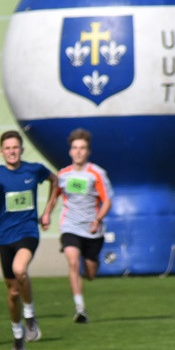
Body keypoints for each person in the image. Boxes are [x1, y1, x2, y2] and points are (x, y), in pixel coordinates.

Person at [0, 130, 59, 350]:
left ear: (21, 149)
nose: (11, 152)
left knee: (20, 270)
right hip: (5, 237)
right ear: (1, 151)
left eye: (15, 147)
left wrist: (47, 212)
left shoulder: (33, 170)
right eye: (7, 148)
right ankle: (17, 334)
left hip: (28, 232)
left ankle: (30, 315)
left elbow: (55, 181)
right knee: (13, 292)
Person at [43, 128, 113, 323]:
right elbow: (54, 196)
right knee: (73, 262)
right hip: (70, 226)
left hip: (92, 229)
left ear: (88, 151)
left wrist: (98, 219)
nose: (78, 151)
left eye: (82, 148)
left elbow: (107, 200)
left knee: (90, 273)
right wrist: (47, 214)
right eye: (75, 148)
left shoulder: (97, 173)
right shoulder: (63, 175)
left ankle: (91, 266)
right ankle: (80, 308)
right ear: (70, 151)